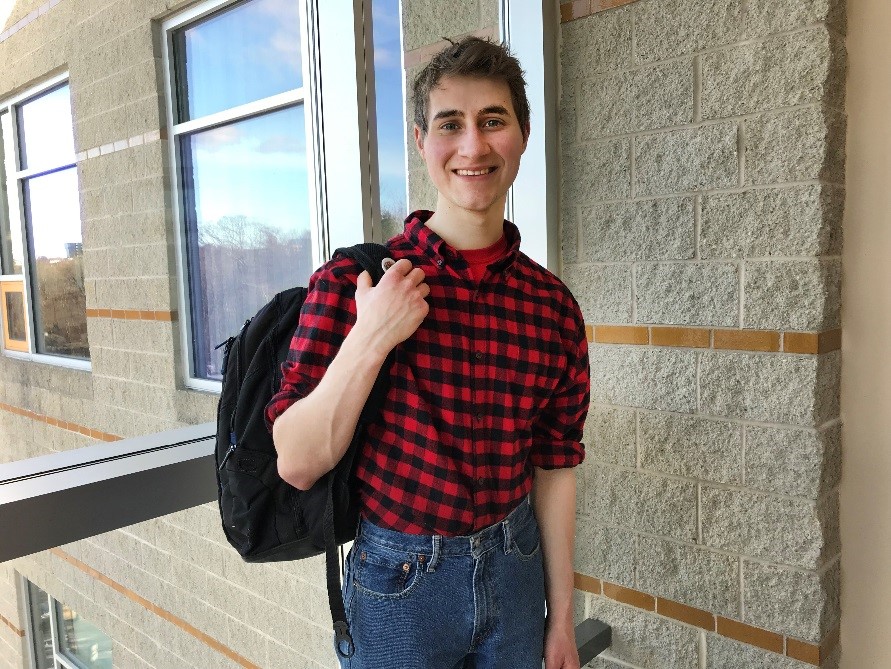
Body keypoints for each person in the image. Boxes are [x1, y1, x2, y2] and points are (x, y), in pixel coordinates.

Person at [265, 36, 590, 669]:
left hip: (518, 569)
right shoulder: (355, 282)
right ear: (422, 142)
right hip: (399, 582)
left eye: (492, 121)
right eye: (451, 124)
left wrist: (563, 621)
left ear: (522, 136)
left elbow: (554, 466)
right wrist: (373, 334)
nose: (473, 146)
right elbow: (298, 461)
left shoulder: (552, 307)